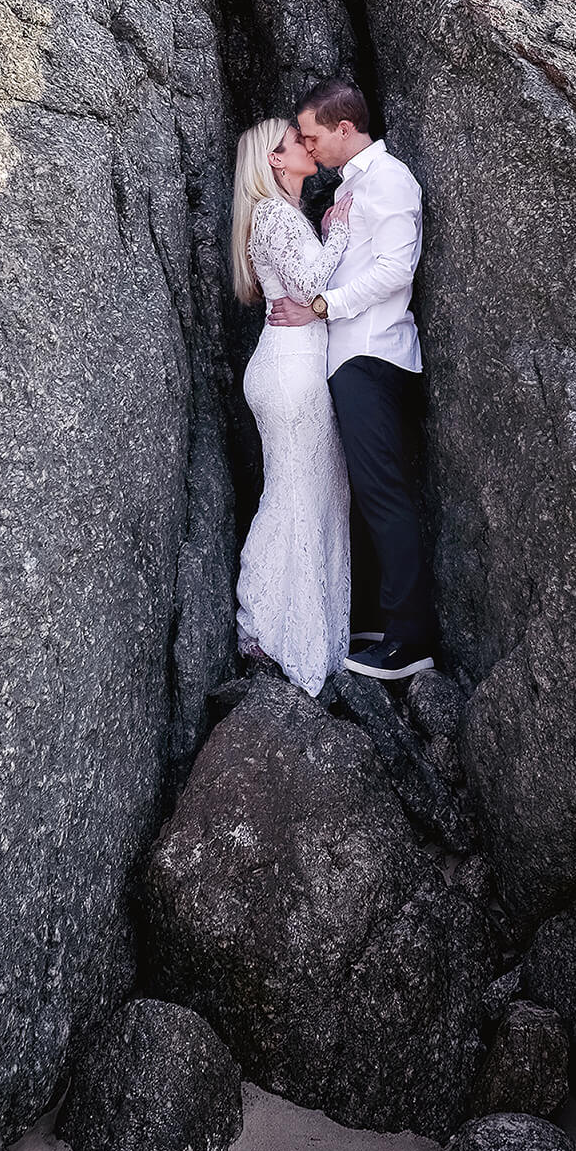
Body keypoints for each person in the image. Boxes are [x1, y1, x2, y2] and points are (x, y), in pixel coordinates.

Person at [268, 77, 434, 682]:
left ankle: (409, 640)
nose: (308, 148)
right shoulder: (353, 187)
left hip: (372, 354)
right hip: (350, 356)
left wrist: (322, 306)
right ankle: (376, 618)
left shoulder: (389, 180)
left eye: (313, 136)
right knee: (366, 492)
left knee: (383, 493)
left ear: (345, 129)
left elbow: (396, 270)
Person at [230, 116, 353, 696]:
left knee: (306, 491)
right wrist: (342, 233)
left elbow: (304, 291)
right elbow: (309, 282)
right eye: (294, 143)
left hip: (289, 362)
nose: (308, 145)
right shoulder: (277, 214)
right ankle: (267, 626)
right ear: (275, 162)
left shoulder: (280, 215)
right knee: (298, 493)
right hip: (291, 371)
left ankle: (275, 625)